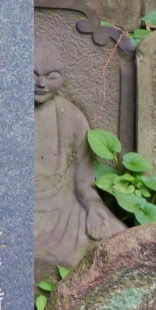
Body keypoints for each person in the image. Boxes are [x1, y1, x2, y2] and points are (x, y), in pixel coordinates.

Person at [34, 44, 125, 279]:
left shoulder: (72, 116)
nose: (40, 83)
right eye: (33, 75)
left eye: (50, 76)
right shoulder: (5, 115)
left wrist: (94, 207)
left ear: (62, 78)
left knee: (119, 239)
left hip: (67, 210)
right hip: (23, 211)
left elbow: (84, 180)